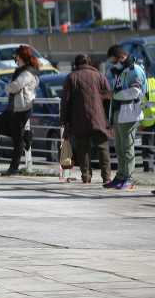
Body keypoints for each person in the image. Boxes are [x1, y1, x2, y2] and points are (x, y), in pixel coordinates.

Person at [61, 55, 112, 185]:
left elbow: (65, 102)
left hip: (79, 119)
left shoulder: (71, 77)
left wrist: (64, 120)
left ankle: (86, 176)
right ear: (90, 63)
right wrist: (107, 118)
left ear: (75, 64)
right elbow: (108, 97)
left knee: (83, 148)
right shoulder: (100, 76)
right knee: (102, 148)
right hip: (99, 118)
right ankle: (106, 177)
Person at [105, 44, 148, 190]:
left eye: (113, 60)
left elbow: (136, 92)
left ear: (121, 57)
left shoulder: (134, 70)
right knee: (119, 147)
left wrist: (114, 95)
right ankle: (121, 175)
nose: (112, 63)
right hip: (119, 113)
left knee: (128, 148)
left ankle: (128, 178)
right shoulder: (121, 70)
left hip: (130, 113)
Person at [2, 45, 40, 176]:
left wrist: (7, 87)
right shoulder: (21, 70)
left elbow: (16, 86)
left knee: (17, 140)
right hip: (16, 107)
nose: (14, 58)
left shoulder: (27, 72)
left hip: (23, 107)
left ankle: (13, 168)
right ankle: (26, 135)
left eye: (16, 56)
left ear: (21, 56)